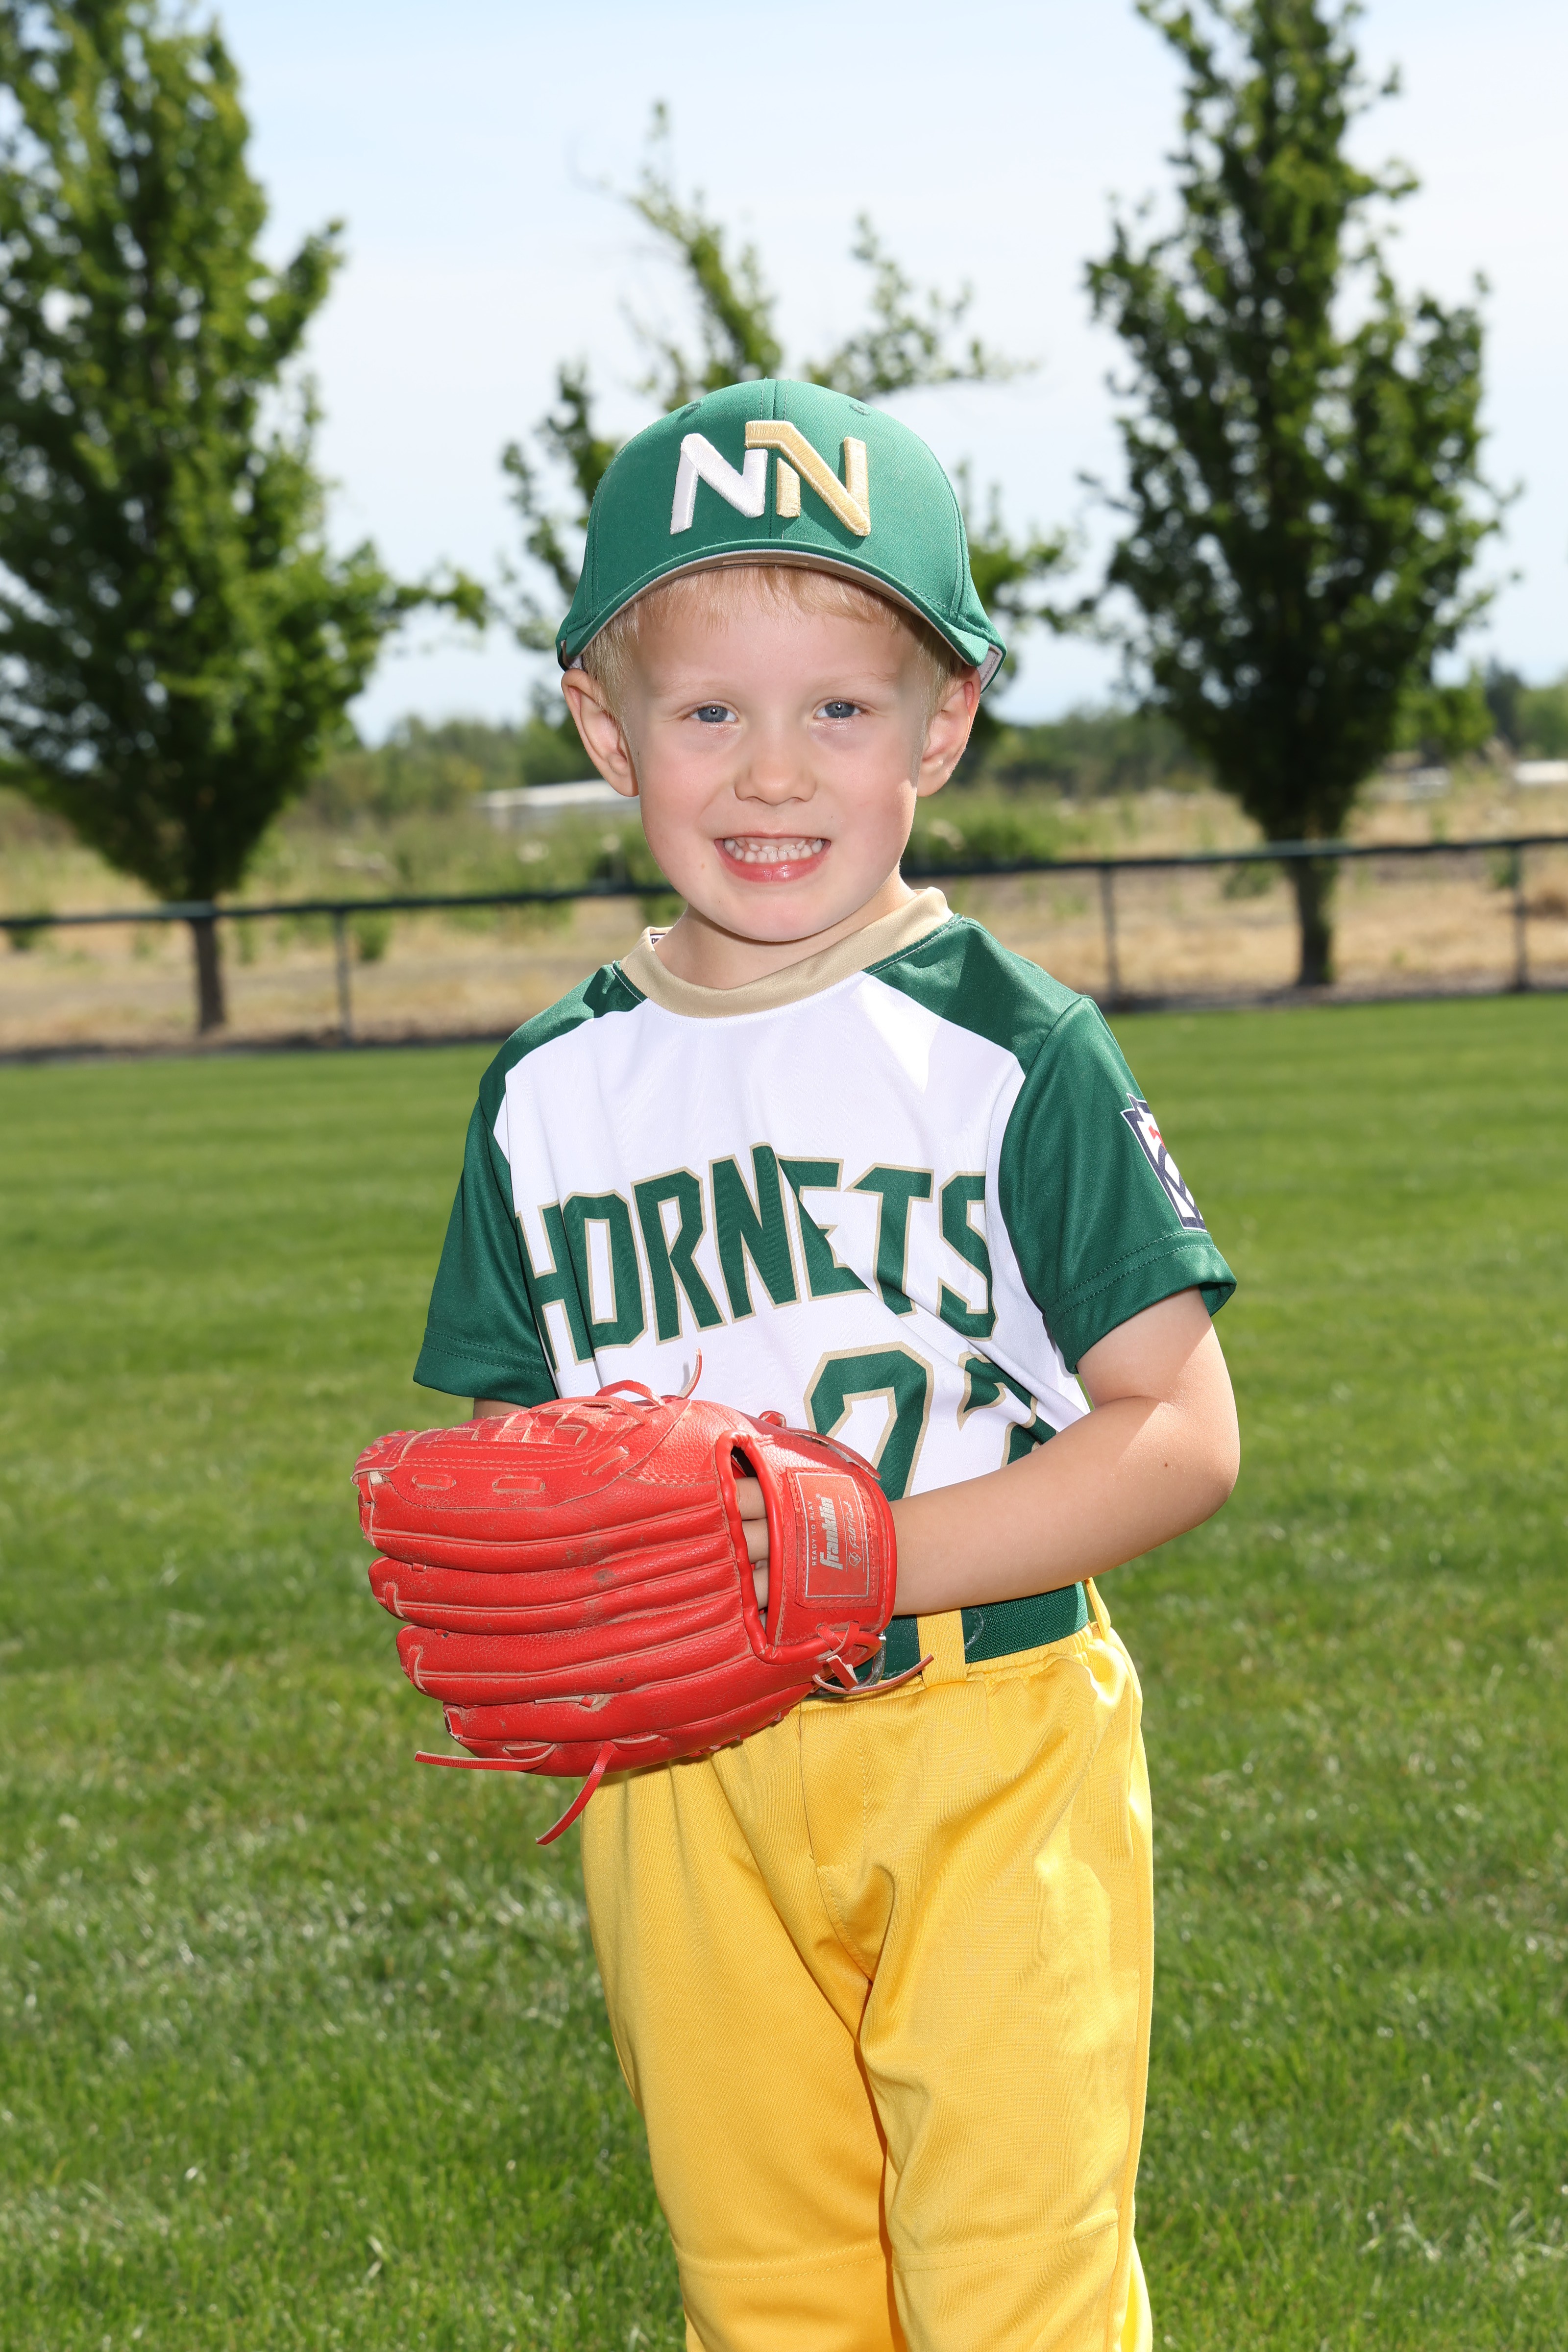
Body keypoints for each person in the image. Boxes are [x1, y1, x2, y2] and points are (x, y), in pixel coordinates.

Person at [413, 379, 1240, 2352]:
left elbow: (1178, 1432)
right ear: (606, 729)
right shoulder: (549, 1088)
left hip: (982, 1725)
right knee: (767, 2286)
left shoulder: (1011, 1048)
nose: (771, 772)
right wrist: (550, 1569)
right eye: (708, 711)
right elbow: (515, 1445)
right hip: (677, 1773)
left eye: (841, 708)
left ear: (940, 727)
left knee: (1012, 2284)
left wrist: (860, 1563)